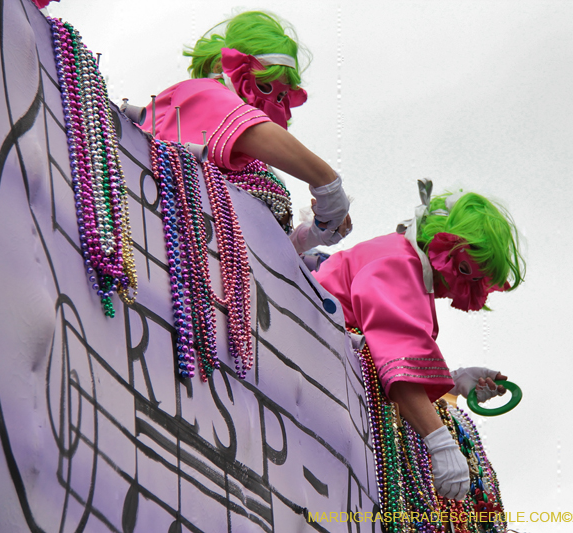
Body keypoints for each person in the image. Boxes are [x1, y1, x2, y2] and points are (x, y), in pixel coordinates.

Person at [313, 180, 526, 500]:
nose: (465, 286)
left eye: (480, 280)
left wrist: (453, 383)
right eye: (467, 270)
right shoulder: (402, 265)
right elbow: (395, 354)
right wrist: (440, 441)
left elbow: (391, 349)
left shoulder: (403, 259)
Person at [141, 11, 350, 251]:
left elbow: (255, 254)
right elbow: (252, 130)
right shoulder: (198, 94)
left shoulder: (256, 160)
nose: (271, 102)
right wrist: (327, 183)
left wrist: (307, 238)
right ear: (223, 68)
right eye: (263, 86)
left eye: (281, 96)